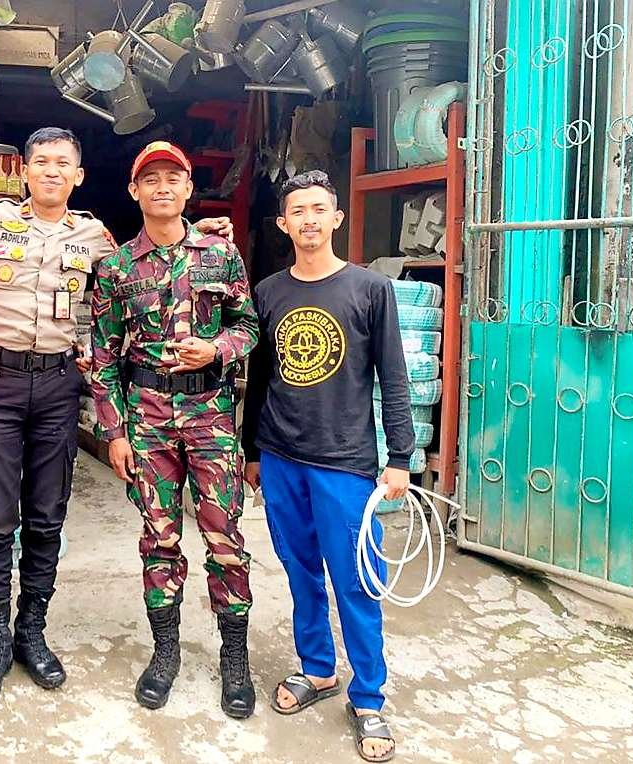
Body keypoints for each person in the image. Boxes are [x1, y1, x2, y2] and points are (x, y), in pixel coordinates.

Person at [0, 127, 233, 710]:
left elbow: (149, 251)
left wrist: (204, 230)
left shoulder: (95, 236)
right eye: (41, 161)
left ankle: (31, 631)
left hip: (58, 385)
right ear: (23, 172)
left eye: (63, 163)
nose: (52, 171)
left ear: (79, 176)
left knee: (48, 517)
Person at [241, 170, 415, 762]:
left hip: (344, 463)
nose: (309, 220)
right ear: (283, 224)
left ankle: (369, 697)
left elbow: (393, 377)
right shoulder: (268, 292)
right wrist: (252, 451)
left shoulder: (370, 289)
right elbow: (259, 378)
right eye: (298, 211)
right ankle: (317, 668)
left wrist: (399, 458)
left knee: (356, 581)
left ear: (336, 218)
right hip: (281, 457)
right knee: (300, 572)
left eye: (319, 209)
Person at [90, 141, 259, 719]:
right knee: (159, 537)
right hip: (147, 422)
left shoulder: (221, 254)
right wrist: (114, 432)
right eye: (151, 179)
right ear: (134, 191)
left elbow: (248, 326)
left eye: (173, 178)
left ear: (188, 189)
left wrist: (216, 349)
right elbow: (103, 356)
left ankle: (234, 657)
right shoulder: (116, 269)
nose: (162, 187)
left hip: (211, 415)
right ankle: (165, 653)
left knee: (224, 537)